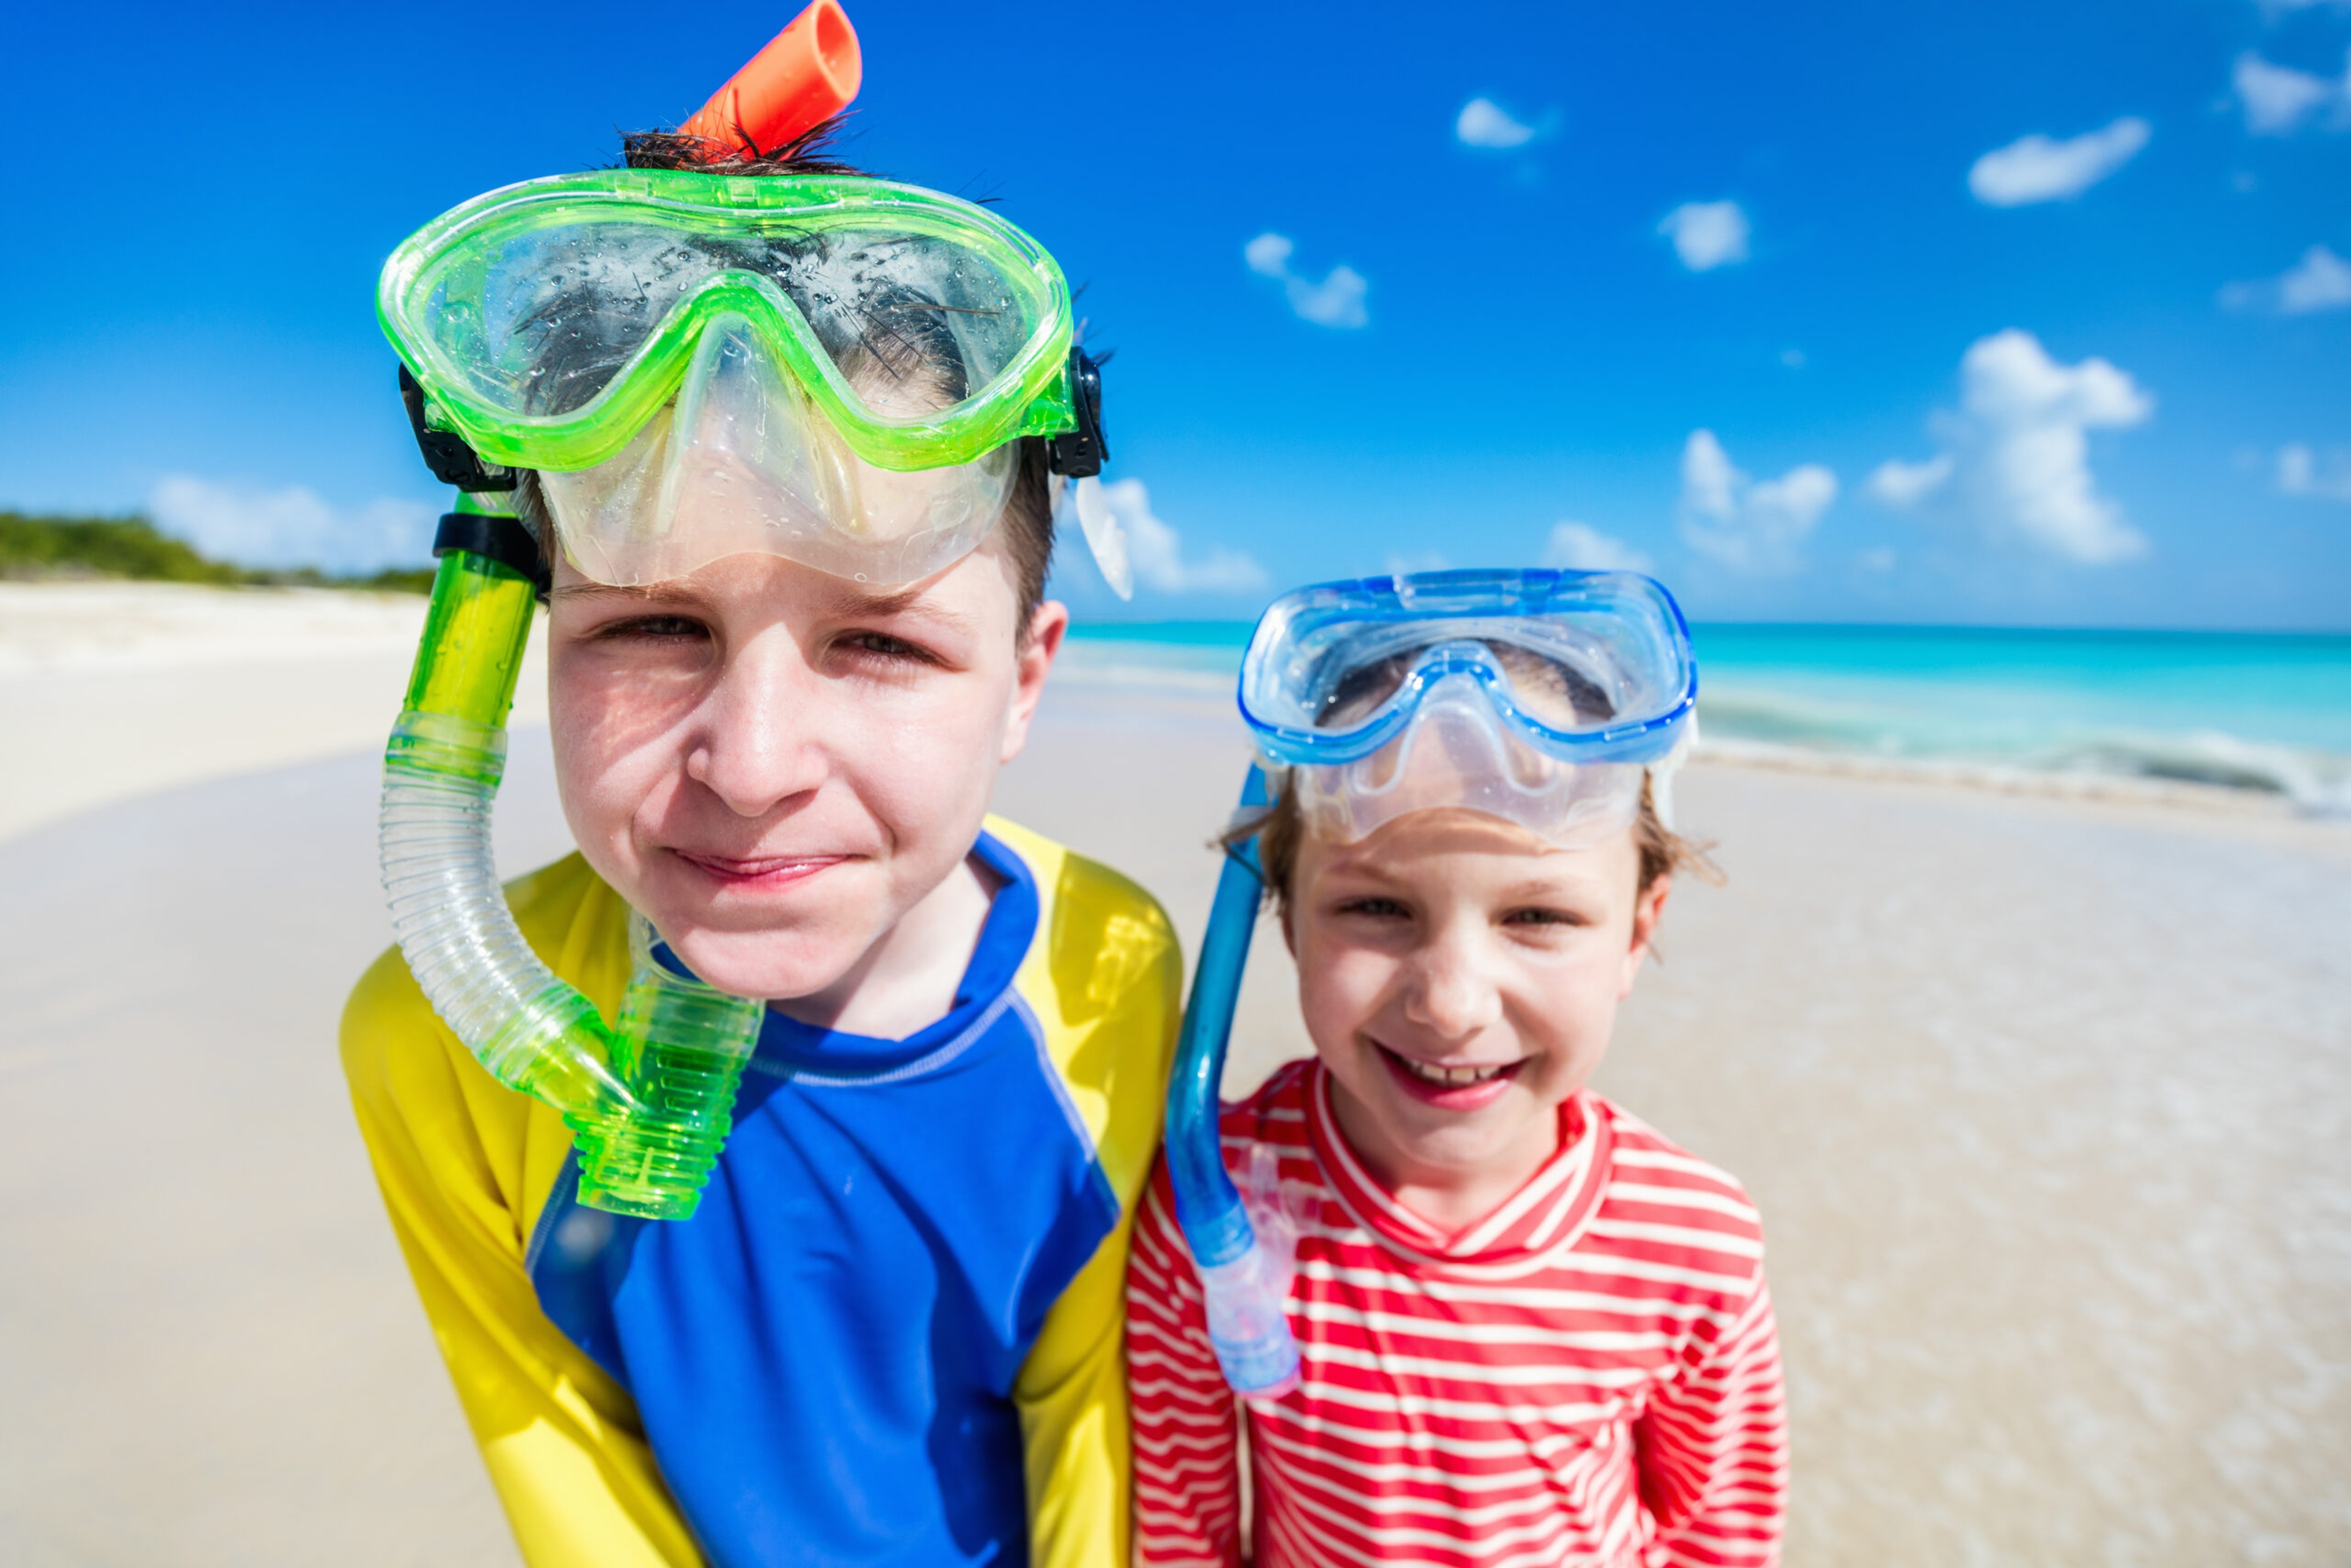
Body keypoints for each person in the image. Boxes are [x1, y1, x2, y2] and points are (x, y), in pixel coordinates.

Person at [339, 18, 1173, 1565]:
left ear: (1027, 677)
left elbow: (1092, 1423)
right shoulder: (431, 1042)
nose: (755, 763)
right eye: (653, 624)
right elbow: (556, 1453)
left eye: (879, 639)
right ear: (518, 628)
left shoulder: (1106, 964)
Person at [1125, 569, 1788, 1566]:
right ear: (1286, 914)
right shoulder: (1214, 1202)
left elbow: (1717, 1536)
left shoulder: (1693, 1246)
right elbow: (1184, 1529)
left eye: (1538, 916)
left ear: (1636, 935)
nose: (1450, 1000)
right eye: (1376, 908)